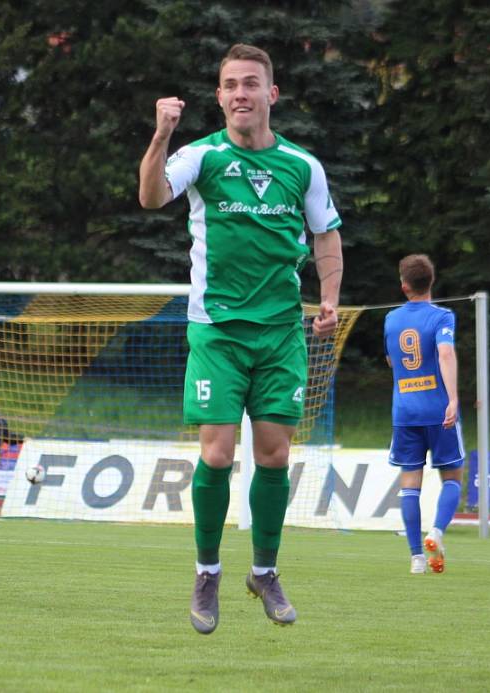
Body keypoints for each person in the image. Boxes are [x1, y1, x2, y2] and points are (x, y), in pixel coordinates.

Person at [139, 43, 343, 633]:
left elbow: (325, 236)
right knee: (218, 453)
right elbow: (151, 197)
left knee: (274, 454)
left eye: (250, 84)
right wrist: (160, 137)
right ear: (220, 96)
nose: (239, 94)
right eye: (230, 85)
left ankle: (265, 571)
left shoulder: (303, 166)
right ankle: (207, 573)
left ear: (271, 95)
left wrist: (328, 296)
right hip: (218, 331)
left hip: (281, 333)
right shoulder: (200, 156)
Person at [384, 254, 464, 575]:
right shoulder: (443, 316)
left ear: (404, 285)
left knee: (409, 484)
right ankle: (437, 532)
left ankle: (416, 558)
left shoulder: (390, 319)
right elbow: (445, 353)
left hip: (404, 411)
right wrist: (453, 398)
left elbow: (392, 361)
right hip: (437, 410)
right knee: (453, 478)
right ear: (431, 281)